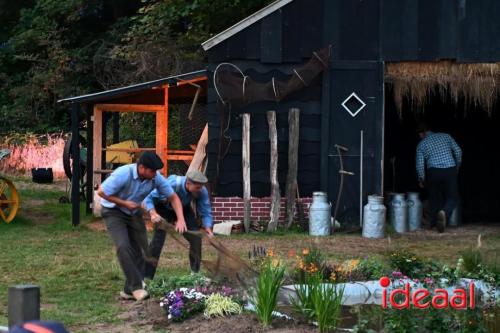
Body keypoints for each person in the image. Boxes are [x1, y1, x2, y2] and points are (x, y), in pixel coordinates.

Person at [97, 152, 187, 301]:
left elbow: (173, 197)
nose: (155, 174)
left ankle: (128, 290)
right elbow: (101, 192)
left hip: (133, 212)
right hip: (113, 211)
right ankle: (136, 287)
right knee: (123, 246)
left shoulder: (155, 178)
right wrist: (124, 203)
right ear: (142, 168)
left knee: (142, 249)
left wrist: (181, 219)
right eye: (152, 171)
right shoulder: (123, 174)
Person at [142, 170, 214, 279]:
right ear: (188, 184)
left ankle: (195, 273)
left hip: (184, 208)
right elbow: (149, 198)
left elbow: (205, 209)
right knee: (158, 241)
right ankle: (147, 276)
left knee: (196, 238)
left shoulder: (201, 190)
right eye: (197, 188)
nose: (200, 191)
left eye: (201, 188)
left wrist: (208, 227)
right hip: (163, 208)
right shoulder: (171, 184)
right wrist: (153, 214)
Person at [416, 123, 462, 233]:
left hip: (433, 172)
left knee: (434, 199)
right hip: (449, 169)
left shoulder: (421, 144)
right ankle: (444, 213)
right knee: (453, 197)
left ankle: (434, 224)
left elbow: (420, 165)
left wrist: (421, 179)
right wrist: (456, 167)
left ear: (422, 133)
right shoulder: (446, 136)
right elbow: (458, 151)